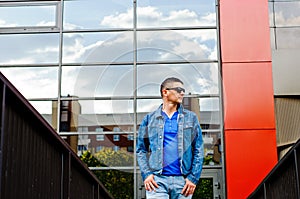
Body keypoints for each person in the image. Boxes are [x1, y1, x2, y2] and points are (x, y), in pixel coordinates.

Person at [136, 77, 204, 199]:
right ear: (165, 92)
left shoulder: (191, 118)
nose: (182, 93)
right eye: (178, 89)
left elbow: (199, 149)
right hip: (157, 182)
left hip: (183, 182)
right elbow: (141, 150)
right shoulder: (149, 119)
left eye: (183, 90)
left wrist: (193, 178)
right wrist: (147, 174)